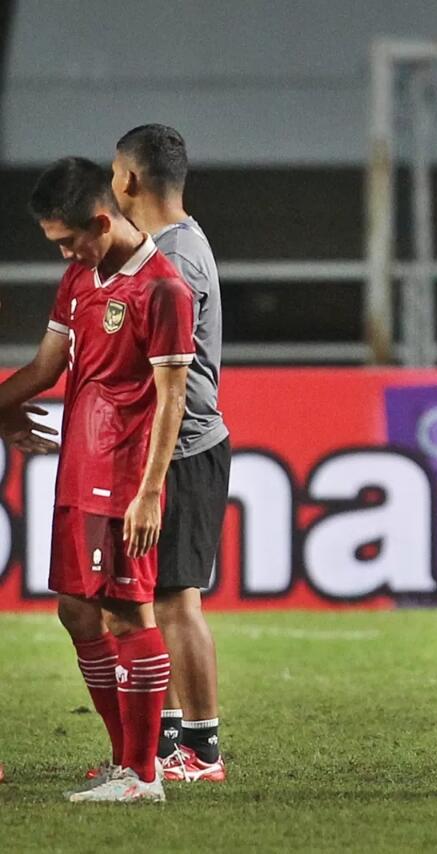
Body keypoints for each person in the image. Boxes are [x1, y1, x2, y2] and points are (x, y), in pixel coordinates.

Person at [0, 156, 195, 802]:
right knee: (76, 610)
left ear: (102, 222)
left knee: (123, 611)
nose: (63, 256)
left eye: (67, 242)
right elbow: (45, 368)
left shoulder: (163, 290)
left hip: (123, 473)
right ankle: (124, 763)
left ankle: (144, 774)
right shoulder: (81, 280)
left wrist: (148, 492)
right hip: (78, 470)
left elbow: (172, 399)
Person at [112, 124, 231, 783]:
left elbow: (173, 380)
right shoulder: (167, 247)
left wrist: (151, 480)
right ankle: (164, 741)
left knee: (178, 600)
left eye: (113, 171)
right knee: (152, 599)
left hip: (182, 450)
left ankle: (203, 750)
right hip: (171, 449)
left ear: (129, 179)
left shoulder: (175, 261)